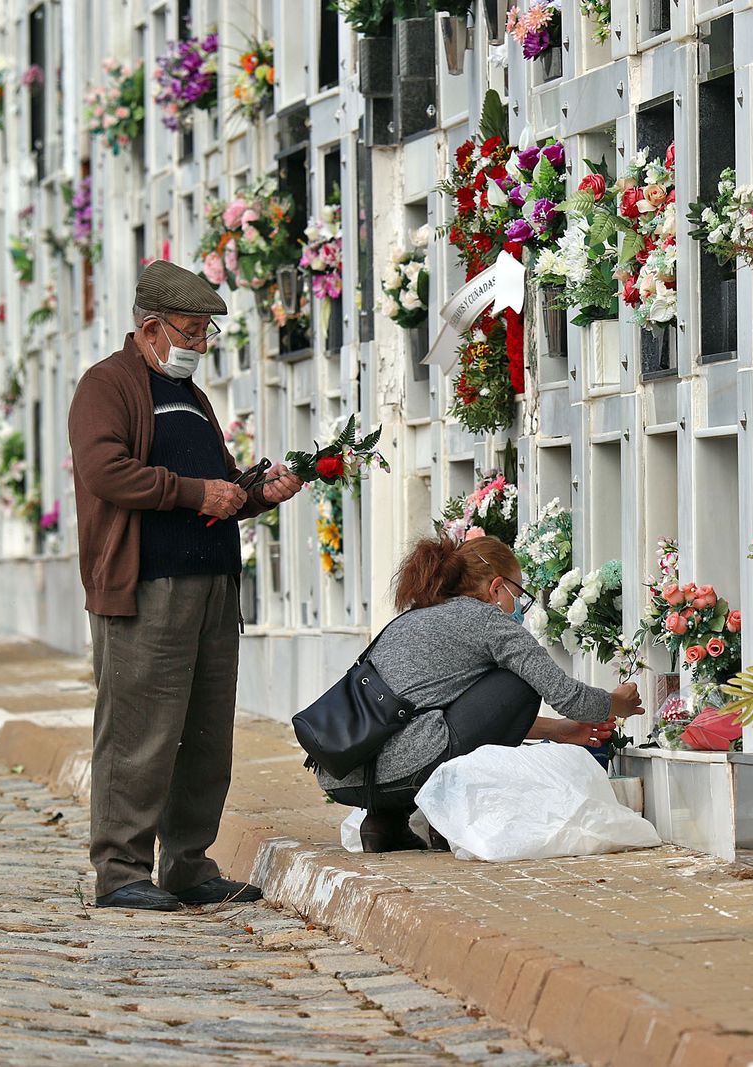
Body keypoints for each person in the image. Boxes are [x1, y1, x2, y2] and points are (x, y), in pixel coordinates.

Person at [68, 260, 305, 912]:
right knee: (139, 734)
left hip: (210, 587)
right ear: (150, 327)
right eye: (191, 330)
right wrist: (193, 491)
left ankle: (186, 864)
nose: (199, 344)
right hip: (145, 587)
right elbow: (106, 470)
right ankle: (119, 871)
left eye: (205, 333)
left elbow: (219, 483)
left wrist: (258, 492)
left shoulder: (193, 396)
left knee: (205, 734)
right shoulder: (107, 386)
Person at [315, 534, 643, 851]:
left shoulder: (411, 618)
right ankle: (449, 818)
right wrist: (619, 703)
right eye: (519, 594)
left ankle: (384, 823)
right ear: (497, 588)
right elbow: (567, 697)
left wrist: (557, 730)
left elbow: (467, 717)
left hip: (343, 777)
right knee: (518, 679)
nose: (520, 608)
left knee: (424, 723)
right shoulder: (486, 620)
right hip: (404, 770)